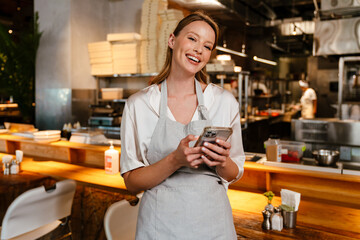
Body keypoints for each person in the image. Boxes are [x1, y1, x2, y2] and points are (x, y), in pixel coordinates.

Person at [120, 11, 245, 239]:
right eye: (192, 38)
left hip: (214, 226)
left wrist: (222, 161)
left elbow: (234, 171)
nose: (199, 49)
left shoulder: (224, 102)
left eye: (208, 46)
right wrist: (174, 160)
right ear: (172, 40)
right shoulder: (139, 105)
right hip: (159, 228)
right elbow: (131, 182)